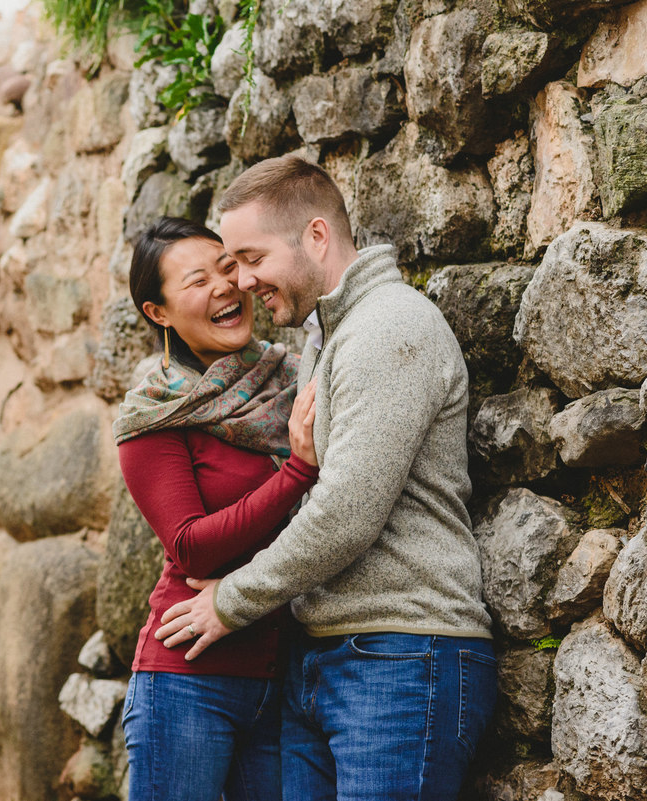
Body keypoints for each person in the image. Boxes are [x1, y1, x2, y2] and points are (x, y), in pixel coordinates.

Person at [154, 156, 497, 801]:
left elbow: (348, 511)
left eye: (251, 258)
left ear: (315, 237)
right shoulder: (324, 338)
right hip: (324, 659)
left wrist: (232, 598)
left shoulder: (390, 327)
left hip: (401, 655)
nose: (242, 280)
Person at [112, 216, 319, 801]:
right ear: (160, 313)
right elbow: (192, 545)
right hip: (190, 680)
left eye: (228, 267)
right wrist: (298, 472)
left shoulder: (290, 378)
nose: (225, 287)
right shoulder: (153, 415)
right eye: (197, 281)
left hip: (289, 680)